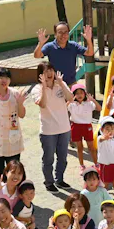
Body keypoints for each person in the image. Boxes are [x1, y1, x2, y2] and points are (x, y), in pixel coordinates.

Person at [33, 62, 73, 192]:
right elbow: (42, 104)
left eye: (50, 70)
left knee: (62, 157)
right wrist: (44, 88)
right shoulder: (37, 89)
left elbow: (70, 98)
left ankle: (59, 180)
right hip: (48, 131)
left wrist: (61, 83)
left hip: (64, 128)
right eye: (45, 71)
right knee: (48, 158)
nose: (49, 74)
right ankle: (49, 182)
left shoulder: (60, 85)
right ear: (40, 75)